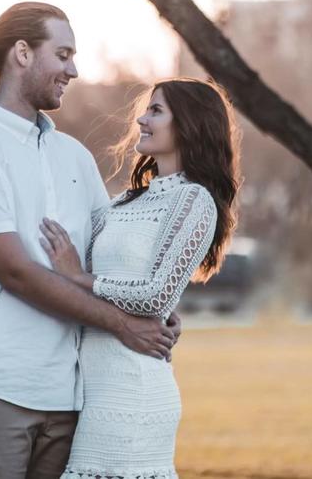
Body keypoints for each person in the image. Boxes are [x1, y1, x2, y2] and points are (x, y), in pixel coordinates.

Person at [0, 1, 181, 479]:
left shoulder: (75, 157)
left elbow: (105, 257)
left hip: (70, 394)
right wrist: (124, 324)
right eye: (62, 55)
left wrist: (155, 304)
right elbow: (16, 272)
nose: (74, 70)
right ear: (22, 53)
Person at [37, 78, 241, 479]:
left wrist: (82, 279)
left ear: (189, 124)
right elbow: (64, 252)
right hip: (92, 389)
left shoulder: (194, 200)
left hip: (134, 390)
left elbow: (155, 298)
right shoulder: (126, 200)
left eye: (156, 111)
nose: (141, 120)